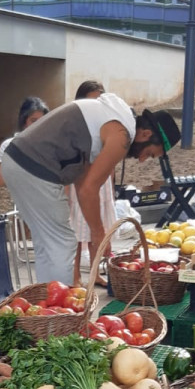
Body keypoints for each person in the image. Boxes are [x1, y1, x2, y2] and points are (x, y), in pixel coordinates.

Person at [0, 95, 178, 285]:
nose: (142, 159)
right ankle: (61, 307)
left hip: (15, 161)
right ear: (145, 135)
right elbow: (88, 190)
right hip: (35, 167)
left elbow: (82, 180)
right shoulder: (121, 135)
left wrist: (98, 231)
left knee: (48, 243)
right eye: (149, 153)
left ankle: (47, 301)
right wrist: (99, 233)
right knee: (64, 243)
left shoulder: (105, 116)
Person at [66, 80, 116, 286]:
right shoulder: (75, 124)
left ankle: (95, 274)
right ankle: (75, 276)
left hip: (101, 182)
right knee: (79, 231)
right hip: (81, 181)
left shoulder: (107, 125)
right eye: (92, 100)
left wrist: (111, 183)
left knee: (100, 225)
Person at [0, 96, 49, 188]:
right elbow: (1, 180)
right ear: (24, 121)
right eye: (33, 120)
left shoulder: (50, 145)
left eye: (42, 120)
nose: (38, 124)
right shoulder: (9, 145)